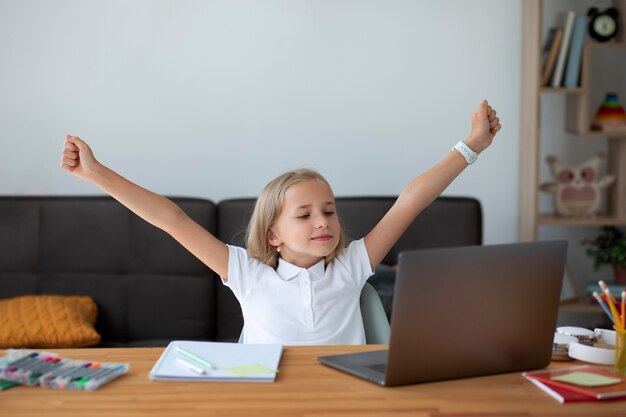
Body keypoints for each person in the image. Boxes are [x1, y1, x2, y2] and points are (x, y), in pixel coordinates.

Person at [60, 100, 501, 345]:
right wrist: (96, 173)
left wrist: (472, 146)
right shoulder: (247, 273)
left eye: (329, 210)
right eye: (304, 214)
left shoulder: (352, 265)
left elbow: (410, 201)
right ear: (273, 233)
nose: (323, 221)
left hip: (341, 398)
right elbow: (171, 219)